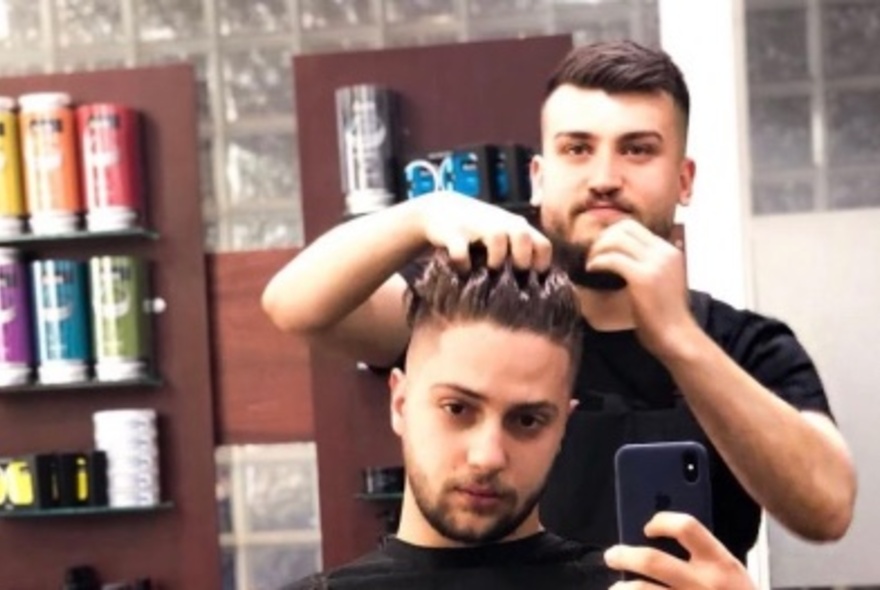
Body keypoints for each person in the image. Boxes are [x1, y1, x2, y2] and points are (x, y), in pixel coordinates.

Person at [263, 40, 857, 562]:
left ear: (684, 179)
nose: (604, 176)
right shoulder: (488, 318)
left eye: (637, 150)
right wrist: (421, 215)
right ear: (540, 177)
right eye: (578, 149)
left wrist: (680, 341)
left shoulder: (746, 345)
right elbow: (296, 305)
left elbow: (827, 509)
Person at [282, 251, 755, 589]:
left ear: (563, 428)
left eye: (527, 421)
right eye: (458, 409)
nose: (488, 455)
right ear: (401, 403)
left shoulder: (636, 587)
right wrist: (425, 213)